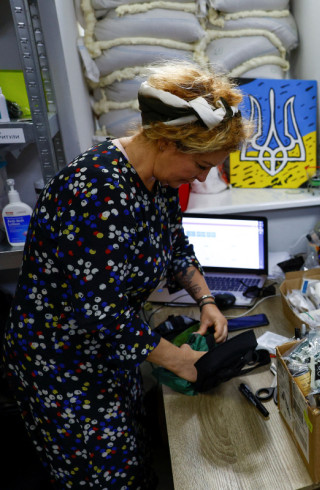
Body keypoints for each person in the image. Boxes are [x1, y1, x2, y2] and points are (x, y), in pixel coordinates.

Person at [1, 61, 251, 488]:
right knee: (102, 477)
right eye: (203, 165)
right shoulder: (96, 189)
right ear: (172, 142)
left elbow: (175, 245)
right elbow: (100, 312)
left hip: (113, 351)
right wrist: (184, 363)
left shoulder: (160, 182)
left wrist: (206, 300)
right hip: (63, 363)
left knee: (134, 453)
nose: (204, 176)